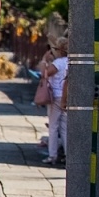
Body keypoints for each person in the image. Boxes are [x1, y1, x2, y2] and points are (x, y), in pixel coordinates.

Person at [41, 37, 69, 167]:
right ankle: (69, 154)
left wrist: (44, 61)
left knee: (53, 126)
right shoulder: (70, 62)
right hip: (66, 96)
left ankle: (52, 155)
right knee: (64, 127)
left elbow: (45, 74)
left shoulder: (58, 63)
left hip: (56, 96)